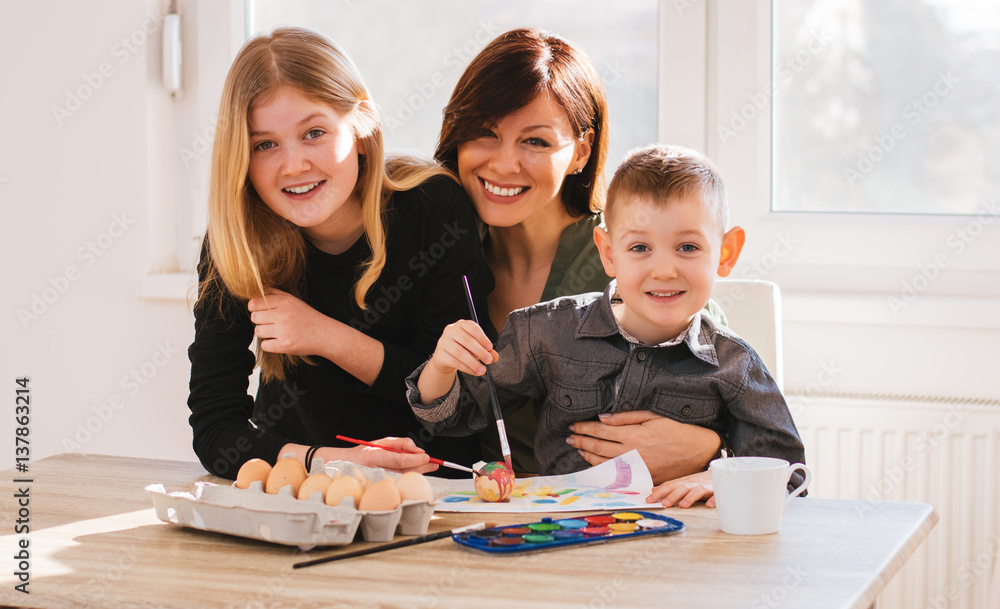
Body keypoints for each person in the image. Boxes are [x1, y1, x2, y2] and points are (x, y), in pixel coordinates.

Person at [406, 144, 806, 507]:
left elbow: (792, 475)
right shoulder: (544, 332)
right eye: (639, 248)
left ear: (727, 252)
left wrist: (720, 475)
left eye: (688, 247)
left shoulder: (735, 364)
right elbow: (455, 416)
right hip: (563, 535)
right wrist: (441, 367)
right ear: (608, 252)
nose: (664, 271)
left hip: (684, 551)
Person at [187, 27, 492, 480]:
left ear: (363, 126)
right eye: (264, 145)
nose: (294, 165)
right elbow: (215, 430)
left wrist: (324, 336)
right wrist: (334, 462)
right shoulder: (238, 239)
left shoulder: (432, 207)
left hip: (437, 491)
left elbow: (455, 396)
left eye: (313, 132)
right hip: (309, 492)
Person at [434, 27, 726, 480]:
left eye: (536, 141)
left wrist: (712, 448)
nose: (504, 163)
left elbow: (748, 419)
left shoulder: (629, 255)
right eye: (484, 133)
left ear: (580, 152)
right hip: (494, 523)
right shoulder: (438, 252)